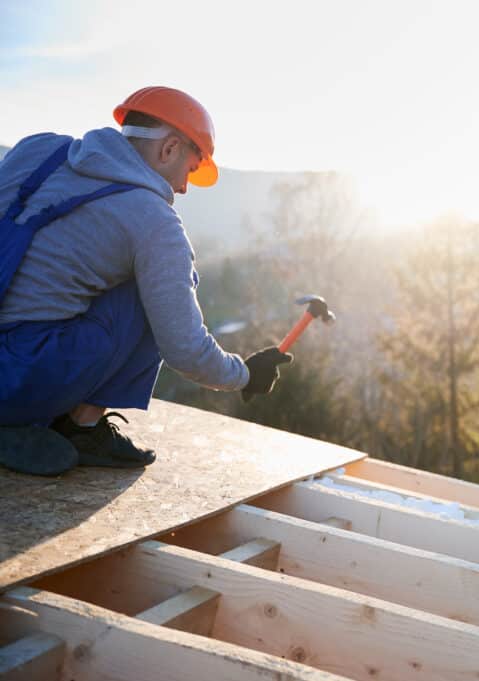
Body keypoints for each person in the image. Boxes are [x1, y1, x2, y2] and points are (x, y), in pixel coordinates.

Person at [0, 86, 292, 477]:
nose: (184, 188)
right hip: (16, 378)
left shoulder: (37, 150)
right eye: (189, 170)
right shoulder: (155, 223)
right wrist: (244, 375)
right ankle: (80, 427)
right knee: (156, 285)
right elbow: (184, 349)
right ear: (169, 149)